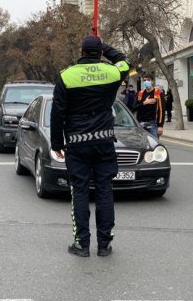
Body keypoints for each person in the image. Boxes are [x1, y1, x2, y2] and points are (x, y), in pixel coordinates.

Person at [50, 35, 130, 257]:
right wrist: (105, 47)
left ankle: (82, 244)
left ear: (82, 51)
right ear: (99, 52)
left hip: (77, 143)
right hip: (104, 141)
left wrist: (57, 142)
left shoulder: (66, 76)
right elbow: (125, 61)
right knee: (105, 190)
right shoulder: (112, 73)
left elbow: (57, 112)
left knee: (80, 191)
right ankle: (104, 245)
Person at [132, 74, 166, 138]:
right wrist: (144, 103)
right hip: (140, 123)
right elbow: (133, 108)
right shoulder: (140, 93)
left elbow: (161, 110)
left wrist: (160, 126)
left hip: (152, 123)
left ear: (152, 81)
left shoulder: (158, 93)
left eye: (148, 80)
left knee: (154, 144)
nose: (146, 82)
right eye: (144, 80)